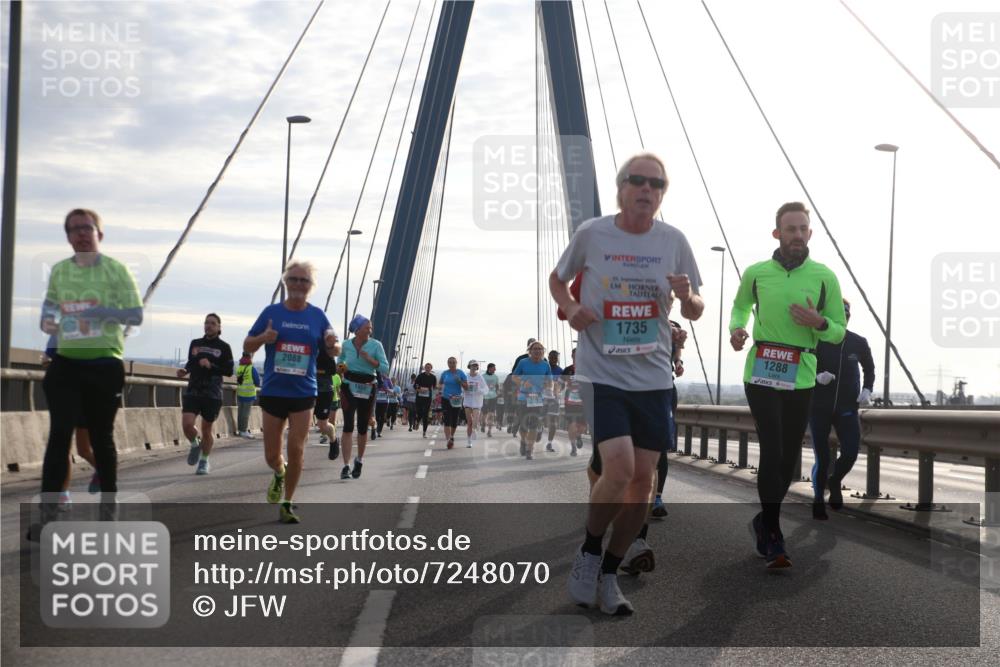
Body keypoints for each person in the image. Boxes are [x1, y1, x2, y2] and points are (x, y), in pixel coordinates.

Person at [552, 153, 704, 614]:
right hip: (603, 373)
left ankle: (610, 572)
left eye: (656, 184)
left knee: (643, 482)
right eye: (637, 181)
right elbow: (558, 281)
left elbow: (696, 308)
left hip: (653, 378)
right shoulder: (593, 234)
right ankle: (590, 551)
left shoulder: (673, 240)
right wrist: (573, 308)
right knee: (616, 469)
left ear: (662, 194)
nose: (646, 189)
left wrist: (686, 297)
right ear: (621, 188)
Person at [730, 201, 846, 568]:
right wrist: (736, 329)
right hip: (762, 369)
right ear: (777, 233)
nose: (797, 235)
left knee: (789, 456)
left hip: (801, 372)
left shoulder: (825, 276)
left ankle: (763, 522)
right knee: (772, 449)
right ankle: (775, 535)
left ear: (809, 234)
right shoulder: (756, 272)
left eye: (802, 229)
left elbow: (839, 331)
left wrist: (819, 322)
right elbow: (740, 307)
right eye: (790, 229)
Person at [36, 208, 143, 531]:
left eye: (87, 228)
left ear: (100, 234)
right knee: (58, 439)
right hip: (66, 363)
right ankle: (48, 516)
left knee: (101, 438)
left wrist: (100, 312)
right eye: (74, 229)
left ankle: (108, 509)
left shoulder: (116, 270)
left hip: (104, 363)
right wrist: (48, 320)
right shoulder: (59, 271)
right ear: (68, 237)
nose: (81, 233)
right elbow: (49, 312)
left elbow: (135, 315)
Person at [244, 261, 340, 523]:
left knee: (296, 448)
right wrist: (264, 337)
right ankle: (279, 472)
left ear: (311, 287)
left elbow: (334, 347)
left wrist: (333, 346)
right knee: (272, 456)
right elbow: (247, 344)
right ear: (285, 282)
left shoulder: (317, 316)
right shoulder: (271, 312)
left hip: (304, 392)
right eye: (294, 279)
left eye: (304, 281)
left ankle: (288, 501)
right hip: (274, 390)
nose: (298, 285)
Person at [809, 298, 874, 518]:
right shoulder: (816, 339)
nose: (843, 318)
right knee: (823, 458)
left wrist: (867, 389)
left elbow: (870, 369)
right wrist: (816, 376)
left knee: (851, 452)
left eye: (846, 315)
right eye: (839, 314)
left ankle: (834, 480)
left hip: (847, 407)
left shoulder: (858, 342)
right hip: (819, 406)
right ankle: (818, 500)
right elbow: (802, 363)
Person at [177, 313, 235, 475]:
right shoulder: (195, 344)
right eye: (206, 323)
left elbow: (229, 371)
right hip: (194, 390)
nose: (208, 325)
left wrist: (211, 366)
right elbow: (191, 362)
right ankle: (195, 445)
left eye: (212, 323)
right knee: (187, 424)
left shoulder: (224, 347)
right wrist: (185, 370)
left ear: (219, 327)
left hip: (212, 394)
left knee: (207, 429)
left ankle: (204, 461)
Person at [338, 315, 389, 479]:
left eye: (371, 327)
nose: (370, 330)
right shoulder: (346, 344)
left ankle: (359, 460)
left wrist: (369, 359)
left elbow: (385, 367)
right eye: (367, 327)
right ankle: (345, 465)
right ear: (358, 330)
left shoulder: (376, 345)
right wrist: (341, 367)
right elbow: (340, 361)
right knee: (347, 426)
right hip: (349, 384)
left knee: (362, 426)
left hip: (368, 385)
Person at [651, 320, 686, 518]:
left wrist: (678, 363)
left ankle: (657, 497)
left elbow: (677, 353)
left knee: (660, 445)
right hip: (634, 387)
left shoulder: (674, 325)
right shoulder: (637, 315)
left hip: (665, 389)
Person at [512, 341, 553, 460]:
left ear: (543, 351)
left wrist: (549, 388)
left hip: (538, 398)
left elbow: (550, 380)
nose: (538, 351)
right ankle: (523, 442)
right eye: (535, 349)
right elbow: (514, 377)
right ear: (530, 351)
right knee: (523, 425)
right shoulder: (523, 362)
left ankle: (529, 449)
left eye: (540, 349)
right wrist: (523, 383)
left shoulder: (546, 365)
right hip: (523, 397)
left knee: (534, 425)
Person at [314, 347, 339, 460]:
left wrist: (315, 370)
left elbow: (333, 370)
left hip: (324, 391)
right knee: (301, 426)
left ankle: (333, 440)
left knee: (322, 426)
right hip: (306, 390)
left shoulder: (325, 350)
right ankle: (297, 461)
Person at [439, 357, 469, 449]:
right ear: (448, 363)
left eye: (453, 362)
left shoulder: (461, 373)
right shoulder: (445, 373)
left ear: (456, 363)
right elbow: (440, 384)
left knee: (454, 419)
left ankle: (452, 436)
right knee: (447, 419)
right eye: (450, 362)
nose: (452, 364)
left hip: (457, 399)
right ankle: (449, 439)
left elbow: (466, 387)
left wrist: (459, 381)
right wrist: (441, 388)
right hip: (446, 398)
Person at [562, 348, 586, 457]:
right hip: (570, 402)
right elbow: (559, 383)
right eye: (575, 355)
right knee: (572, 424)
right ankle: (573, 448)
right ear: (572, 356)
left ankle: (579, 436)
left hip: (584, 402)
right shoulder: (567, 370)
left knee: (582, 427)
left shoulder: (589, 369)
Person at [463, 360, 489, 447]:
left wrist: (478, 390)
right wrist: (465, 389)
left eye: (475, 366)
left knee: (475, 420)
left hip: (477, 402)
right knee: (469, 422)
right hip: (467, 401)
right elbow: (461, 388)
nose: (474, 367)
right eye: (472, 366)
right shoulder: (466, 376)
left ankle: (474, 430)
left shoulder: (480, 377)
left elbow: (486, 389)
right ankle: (469, 441)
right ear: (469, 366)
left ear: (477, 367)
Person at [235, 352, 261, 437]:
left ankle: (240, 430)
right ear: (250, 358)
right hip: (249, 394)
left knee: (240, 413)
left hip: (240, 393)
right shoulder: (251, 368)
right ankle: (244, 431)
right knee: (246, 413)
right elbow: (257, 381)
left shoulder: (239, 367)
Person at [543, 350, 563, 452]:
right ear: (549, 357)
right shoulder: (543, 367)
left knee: (553, 421)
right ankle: (539, 430)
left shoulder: (561, 371)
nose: (554, 360)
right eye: (552, 357)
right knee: (539, 418)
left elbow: (563, 385)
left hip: (555, 398)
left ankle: (549, 443)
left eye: (556, 358)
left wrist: (558, 390)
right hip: (542, 397)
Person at [414, 363, 437, 437]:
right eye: (426, 367)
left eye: (429, 367)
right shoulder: (420, 376)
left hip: (428, 398)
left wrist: (441, 387)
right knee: (420, 412)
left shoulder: (433, 377)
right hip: (419, 397)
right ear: (424, 368)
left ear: (431, 368)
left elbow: (434, 387)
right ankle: (417, 421)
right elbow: (415, 385)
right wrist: (419, 389)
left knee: (425, 414)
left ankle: (424, 432)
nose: (427, 368)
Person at [482, 363, 500, 437]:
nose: (495, 369)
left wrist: (498, 392)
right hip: (485, 397)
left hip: (493, 397)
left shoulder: (496, 377)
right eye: (494, 368)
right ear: (489, 368)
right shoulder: (483, 376)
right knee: (485, 414)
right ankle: (483, 424)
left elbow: (497, 386)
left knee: (492, 414)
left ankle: (489, 431)